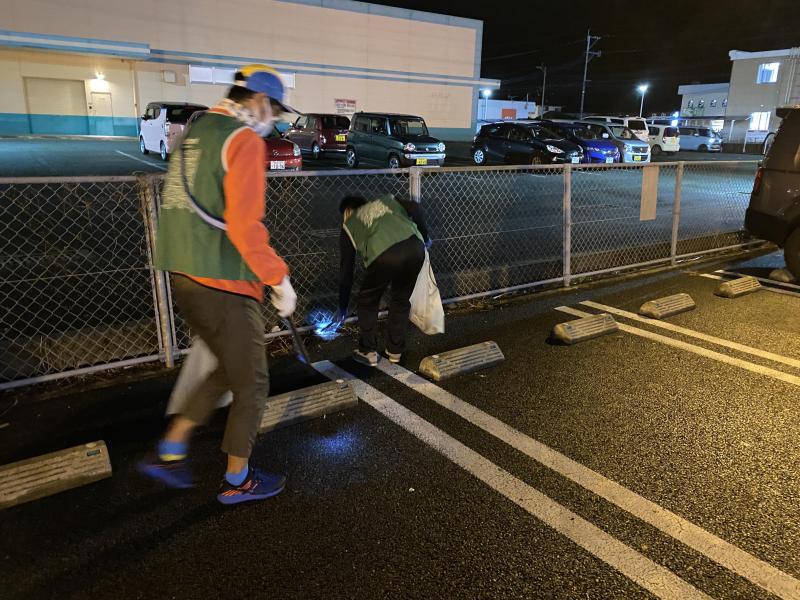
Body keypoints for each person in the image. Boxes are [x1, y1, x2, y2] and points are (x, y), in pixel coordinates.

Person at [139, 65, 298, 505]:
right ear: (259, 101)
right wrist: (278, 279)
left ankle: (170, 449)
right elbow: (246, 225)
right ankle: (237, 479)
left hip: (185, 275)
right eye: (275, 109)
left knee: (230, 370)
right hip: (223, 282)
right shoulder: (243, 140)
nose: (276, 120)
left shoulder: (196, 132)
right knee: (253, 383)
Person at [335, 193, 430, 367]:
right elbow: (415, 207)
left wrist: (342, 307)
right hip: (415, 248)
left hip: (385, 255)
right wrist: (425, 237)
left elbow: (346, 271)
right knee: (400, 300)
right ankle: (395, 352)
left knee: (368, 300)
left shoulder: (349, 224)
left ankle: (368, 350)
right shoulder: (387, 202)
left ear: (347, 212)